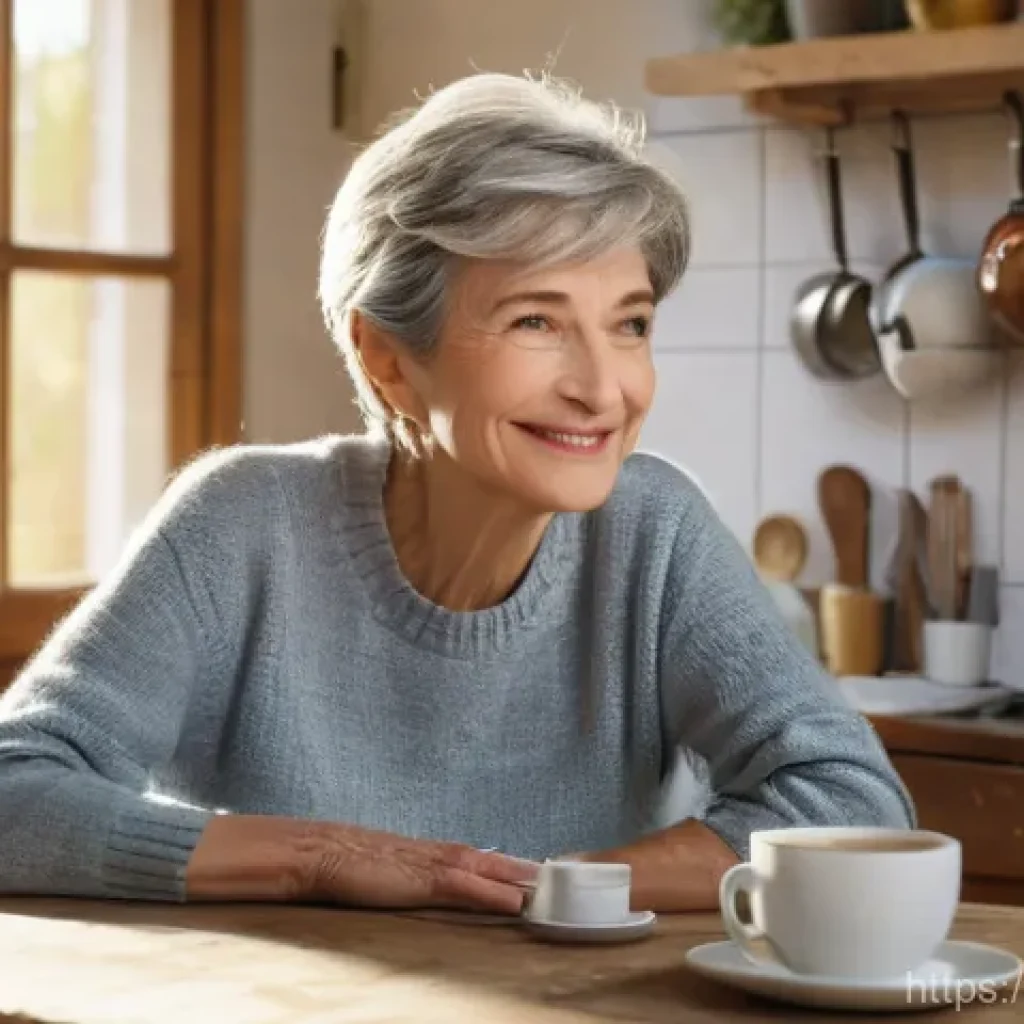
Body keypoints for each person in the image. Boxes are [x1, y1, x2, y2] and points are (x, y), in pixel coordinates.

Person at [0, 72, 913, 915]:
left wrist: (534, 890)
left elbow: (855, 804)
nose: (604, 388)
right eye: (536, 320)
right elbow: (14, 788)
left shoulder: (654, 533)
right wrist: (314, 856)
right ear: (389, 359)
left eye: (628, 324)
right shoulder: (240, 527)